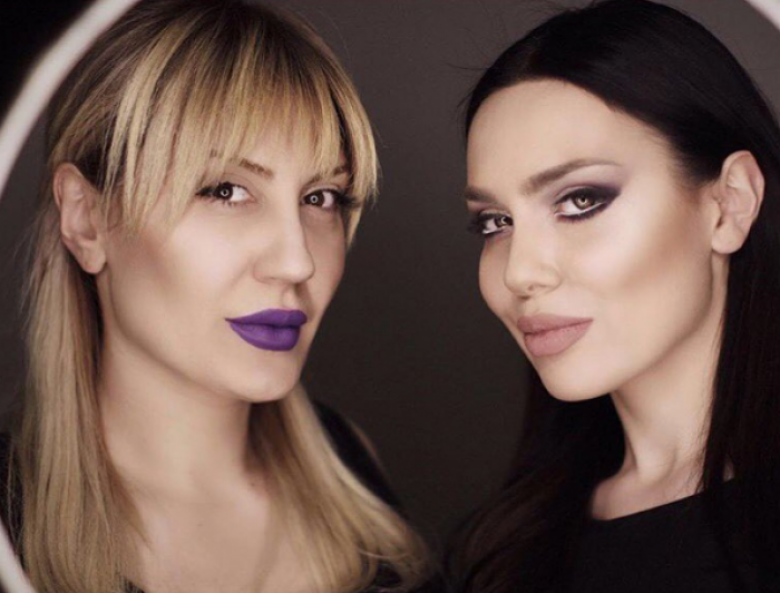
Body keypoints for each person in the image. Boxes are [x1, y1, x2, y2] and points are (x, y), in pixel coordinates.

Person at [0, 0, 429, 591]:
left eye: (321, 197)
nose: (297, 262)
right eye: (225, 190)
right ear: (86, 220)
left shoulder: (351, 465)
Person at [448, 1, 780, 591]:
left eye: (580, 200)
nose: (520, 272)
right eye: (496, 223)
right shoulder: (500, 550)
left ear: (730, 203)